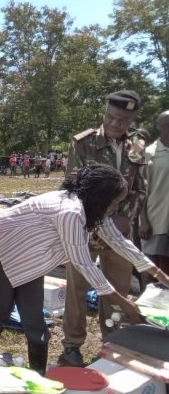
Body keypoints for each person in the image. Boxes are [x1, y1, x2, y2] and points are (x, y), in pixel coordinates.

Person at [0, 164, 169, 375]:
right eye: (114, 202)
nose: (115, 208)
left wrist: (160, 275)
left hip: (31, 263)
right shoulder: (69, 211)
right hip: (1, 253)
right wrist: (125, 304)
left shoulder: (93, 211)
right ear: (101, 198)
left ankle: (39, 375)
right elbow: (83, 263)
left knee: (35, 323)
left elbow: (118, 241)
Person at [59, 90, 147, 366]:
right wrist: (95, 220)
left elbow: (139, 190)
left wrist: (125, 219)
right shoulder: (83, 143)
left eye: (123, 120)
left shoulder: (136, 148)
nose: (115, 124)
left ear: (132, 120)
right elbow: (73, 187)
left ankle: (111, 342)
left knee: (117, 290)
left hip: (120, 234)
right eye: (111, 117)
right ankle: (72, 346)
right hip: (85, 231)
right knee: (77, 289)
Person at [140, 111, 169, 286]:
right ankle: (146, 308)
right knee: (150, 267)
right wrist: (143, 220)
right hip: (155, 221)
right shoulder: (149, 154)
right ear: (161, 127)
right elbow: (141, 190)